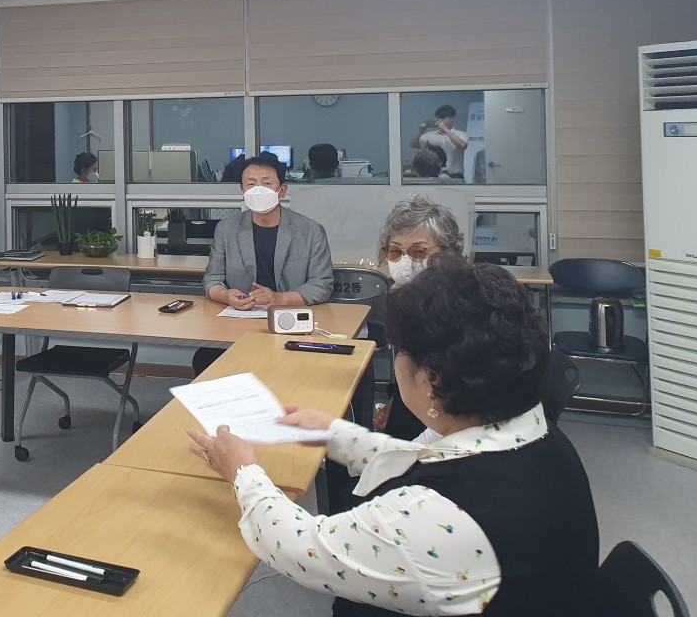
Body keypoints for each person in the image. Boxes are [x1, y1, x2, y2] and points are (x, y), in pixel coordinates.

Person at [187, 258, 601, 617]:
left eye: (398, 350)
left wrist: (243, 471)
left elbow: (299, 547)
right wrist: (334, 434)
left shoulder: (436, 519)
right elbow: (423, 456)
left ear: (431, 379)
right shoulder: (524, 429)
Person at [196, 153, 333, 373]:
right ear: (242, 191)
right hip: (239, 323)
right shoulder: (226, 229)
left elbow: (322, 283)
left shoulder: (310, 231)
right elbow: (211, 279)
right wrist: (226, 295)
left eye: (267, 183)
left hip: (290, 323)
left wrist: (281, 299)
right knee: (204, 359)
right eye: (251, 184)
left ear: (282, 190)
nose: (258, 190)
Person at [372, 195, 465, 439]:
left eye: (418, 251)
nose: (405, 261)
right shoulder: (402, 297)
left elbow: (461, 403)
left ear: (447, 252)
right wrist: (397, 401)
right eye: (395, 251)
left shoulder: (459, 305)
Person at [409, 104, 468, 177]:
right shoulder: (430, 135)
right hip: (436, 175)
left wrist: (445, 130)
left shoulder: (460, 134)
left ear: (452, 119)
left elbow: (463, 146)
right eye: (438, 118)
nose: (439, 121)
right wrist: (420, 131)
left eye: (443, 118)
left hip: (455, 175)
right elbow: (413, 145)